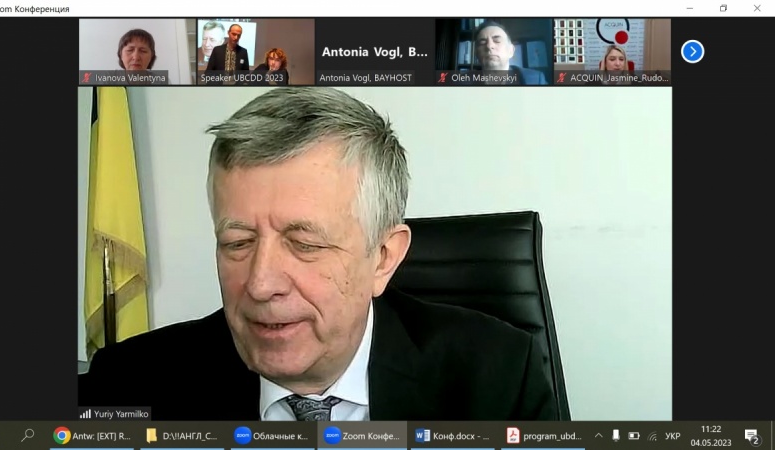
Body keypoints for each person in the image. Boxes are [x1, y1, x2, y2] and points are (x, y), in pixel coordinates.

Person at [78, 87, 558, 421]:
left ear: (383, 257)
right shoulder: (127, 384)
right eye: (238, 242)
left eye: (304, 244)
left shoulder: (497, 374)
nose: (261, 284)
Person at [474, 21, 548, 85]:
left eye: (497, 41)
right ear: (476, 53)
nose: (489, 46)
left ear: (511, 51)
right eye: (482, 43)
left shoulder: (534, 80)